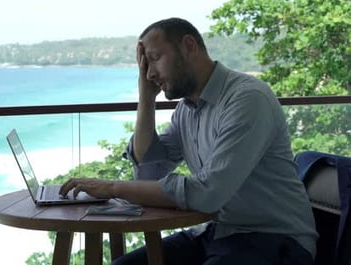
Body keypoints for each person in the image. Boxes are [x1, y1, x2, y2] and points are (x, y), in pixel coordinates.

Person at [59, 17, 318, 265]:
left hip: (276, 240)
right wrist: (146, 98)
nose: (149, 73)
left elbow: (208, 193)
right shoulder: (186, 109)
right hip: (218, 233)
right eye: (144, 65)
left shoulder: (247, 99)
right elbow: (148, 173)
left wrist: (112, 187)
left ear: (188, 46)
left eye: (155, 59)